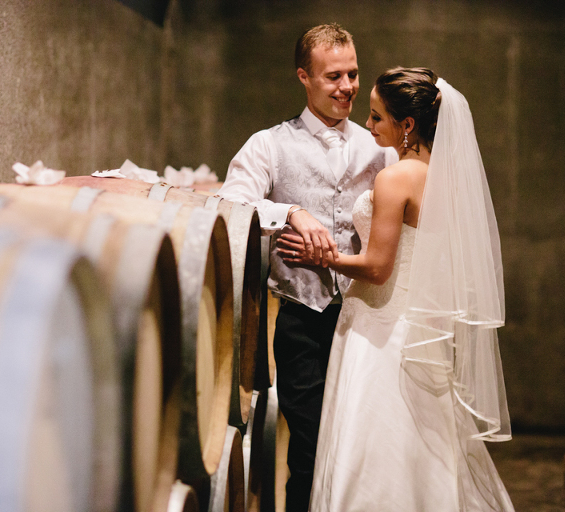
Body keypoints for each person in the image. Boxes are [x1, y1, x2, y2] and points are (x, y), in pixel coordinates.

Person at [278, 67, 515, 511]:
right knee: (426, 444)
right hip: (420, 327)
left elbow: (376, 267)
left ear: (407, 125)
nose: (367, 126)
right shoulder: (448, 177)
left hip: (378, 327)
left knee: (371, 443)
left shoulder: (395, 178)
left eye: (376, 118)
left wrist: (321, 257)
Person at [217, 24, 398, 512]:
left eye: (353, 74)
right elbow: (230, 203)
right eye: (333, 76)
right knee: (310, 448)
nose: (347, 87)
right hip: (302, 319)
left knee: (361, 451)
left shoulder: (379, 147)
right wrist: (290, 213)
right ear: (304, 77)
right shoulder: (268, 145)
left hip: (366, 320)